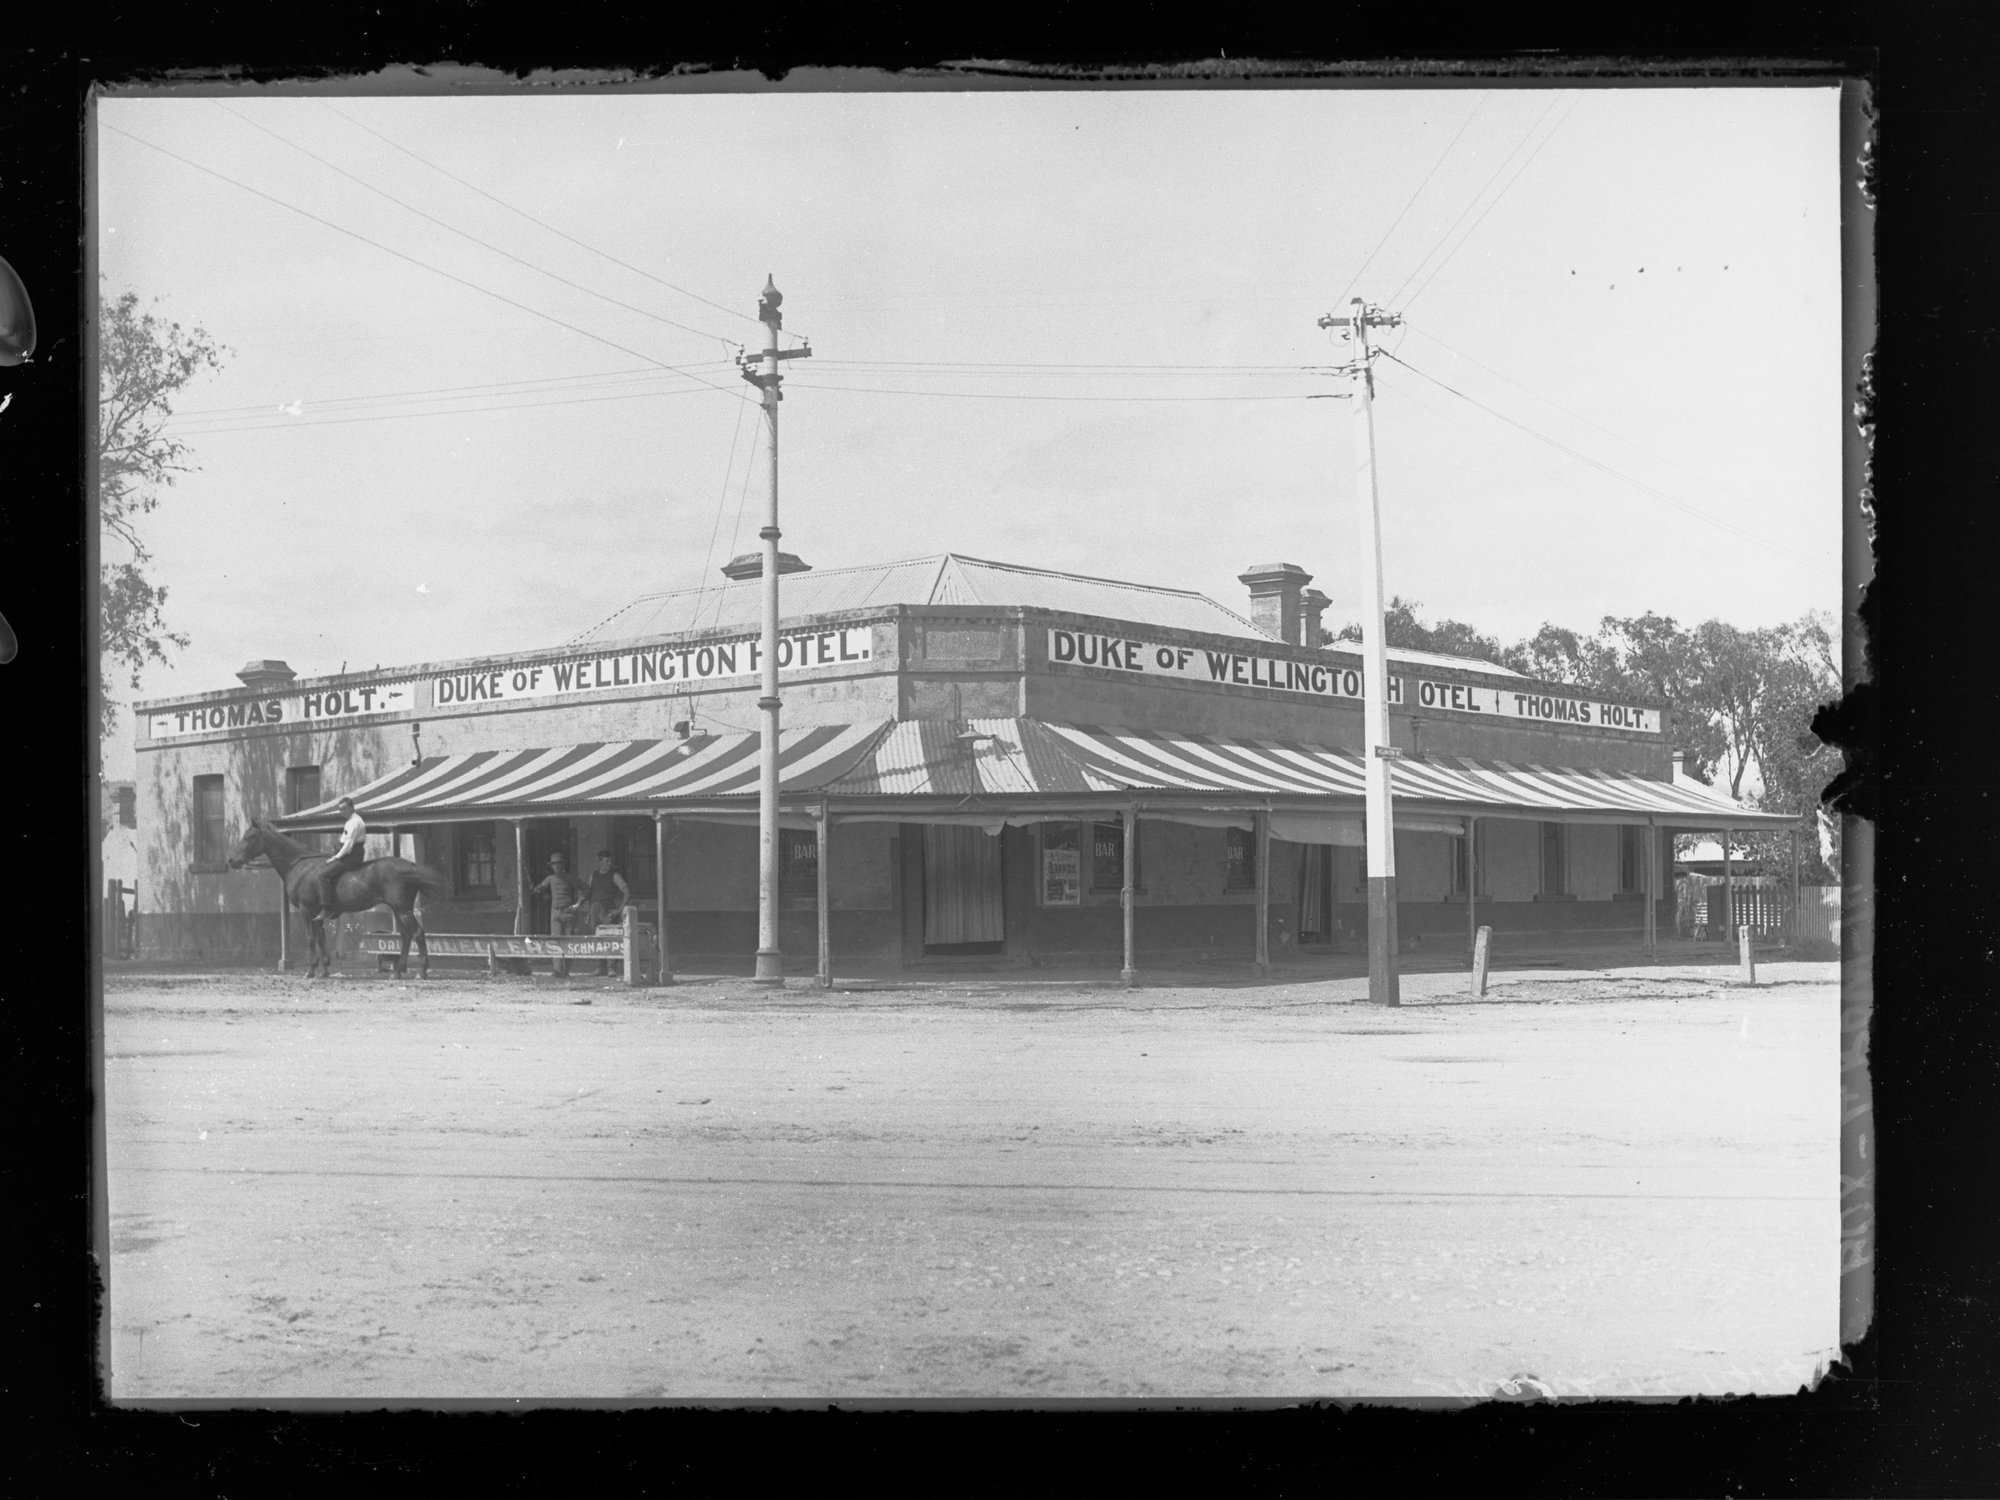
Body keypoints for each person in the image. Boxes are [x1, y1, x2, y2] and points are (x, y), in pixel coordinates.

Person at [575, 849, 632, 976]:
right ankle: (599, 967)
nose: (609, 863)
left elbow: (627, 891)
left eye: (610, 861)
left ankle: (611, 968)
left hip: (608, 910)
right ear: (599, 862)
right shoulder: (593, 875)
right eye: (606, 861)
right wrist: (589, 913)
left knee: (611, 938)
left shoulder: (614, 875)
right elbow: (590, 894)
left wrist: (620, 909)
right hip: (595, 910)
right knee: (597, 938)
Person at [528, 852, 584, 978]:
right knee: (555, 941)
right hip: (555, 913)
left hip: (568, 913)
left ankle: (567, 970)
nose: (556, 867)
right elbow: (538, 889)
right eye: (554, 865)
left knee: (568, 941)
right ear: (552, 867)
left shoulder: (570, 878)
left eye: (559, 864)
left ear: (563, 865)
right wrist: (532, 887)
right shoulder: (550, 879)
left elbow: (583, 890)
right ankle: (558, 971)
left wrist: (578, 904)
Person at [313, 797, 369, 914]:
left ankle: (327, 907)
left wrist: (335, 858)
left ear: (352, 807)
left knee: (322, 875)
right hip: (348, 853)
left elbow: (348, 847)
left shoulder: (355, 822)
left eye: (344, 808)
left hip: (352, 855)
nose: (342, 811)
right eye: (340, 809)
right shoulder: (349, 821)